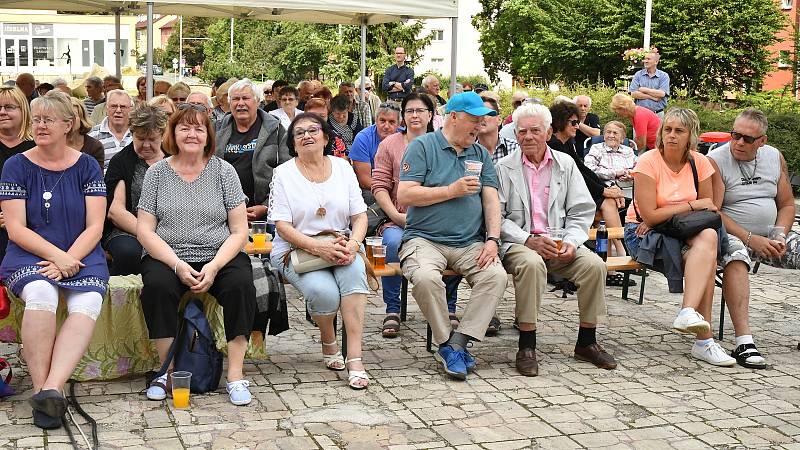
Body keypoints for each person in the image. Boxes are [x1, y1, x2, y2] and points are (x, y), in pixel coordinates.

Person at [0, 91, 108, 429]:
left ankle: (51, 389)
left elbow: (96, 226)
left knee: (88, 299)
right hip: (30, 254)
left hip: (81, 253)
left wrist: (70, 258)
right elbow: (15, 228)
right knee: (42, 294)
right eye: (38, 119)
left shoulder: (88, 165)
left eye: (49, 119)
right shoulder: (15, 165)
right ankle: (39, 387)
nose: (41, 125)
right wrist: (57, 258)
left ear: (68, 124)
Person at [137, 105, 256, 406]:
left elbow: (239, 231)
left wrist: (215, 266)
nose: (192, 134)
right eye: (184, 128)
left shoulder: (223, 171)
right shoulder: (157, 173)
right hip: (169, 255)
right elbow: (146, 231)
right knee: (158, 287)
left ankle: (236, 374)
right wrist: (176, 265)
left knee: (241, 283)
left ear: (208, 137)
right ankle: (168, 371)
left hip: (218, 254)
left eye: (199, 128)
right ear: (173, 134)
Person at [496, 103, 616, 376]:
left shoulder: (566, 164)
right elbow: (497, 218)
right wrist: (527, 239)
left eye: (535, 130)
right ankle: (527, 344)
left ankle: (587, 341)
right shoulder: (503, 167)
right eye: (522, 131)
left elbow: (581, 210)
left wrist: (572, 242)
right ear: (515, 135)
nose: (528, 136)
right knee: (531, 264)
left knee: (594, 266)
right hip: (520, 244)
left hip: (559, 243)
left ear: (548, 132)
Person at [397, 92, 508, 380]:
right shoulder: (422, 147)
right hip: (424, 239)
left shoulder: (479, 152)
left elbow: (491, 199)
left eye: (482, 120)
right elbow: (405, 194)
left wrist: (493, 239)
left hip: (469, 242)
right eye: (473, 119)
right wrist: (450, 191)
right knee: (424, 278)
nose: (479, 126)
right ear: (453, 117)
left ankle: (457, 343)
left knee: (495, 276)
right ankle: (447, 343)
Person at [623, 107, 735, 367]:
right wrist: (690, 205)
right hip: (644, 232)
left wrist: (680, 210)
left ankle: (687, 313)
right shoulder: (648, 161)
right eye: (667, 129)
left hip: (684, 231)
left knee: (708, 235)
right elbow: (649, 216)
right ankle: (704, 343)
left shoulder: (700, 162)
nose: (671, 135)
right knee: (705, 259)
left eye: (679, 131)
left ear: (691, 136)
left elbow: (709, 207)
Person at [268, 113, 371, 389]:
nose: (307, 136)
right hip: (296, 247)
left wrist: (353, 245)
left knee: (354, 275)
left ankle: (355, 358)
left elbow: (360, 216)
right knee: (324, 293)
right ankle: (328, 340)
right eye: (299, 133)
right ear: (293, 143)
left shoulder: (343, 168)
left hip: (340, 244)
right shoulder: (284, 174)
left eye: (313, 130)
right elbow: (282, 226)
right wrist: (317, 246)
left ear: (326, 137)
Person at [708, 108, 799, 369]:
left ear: (762, 141)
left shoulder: (774, 157)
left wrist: (780, 234)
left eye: (747, 139)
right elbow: (715, 211)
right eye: (735, 135)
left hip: (770, 233)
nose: (738, 142)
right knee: (736, 258)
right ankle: (744, 342)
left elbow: (787, 205)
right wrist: (751, 239)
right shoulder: (716, 159)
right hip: (731, 234)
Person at [371, 93, 463, 337]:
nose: (414, 115)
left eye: (420, 110)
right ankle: (392, 308)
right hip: (398, 218)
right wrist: (395, 215)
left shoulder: (443, 143)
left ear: (431, 115)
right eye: (409, 111)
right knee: (391, 242)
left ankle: (449, 307)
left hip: (437, 221)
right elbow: (379, 186)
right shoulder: (389, 144)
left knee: (455, 242)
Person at [548, 101, 626, 240]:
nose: (577, 126)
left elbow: (583, 169)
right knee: (608, 203)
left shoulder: (566, 143)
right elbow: (578, 175)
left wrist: (608, 188)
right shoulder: (554, 145)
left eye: (578, 122)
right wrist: (604, 191)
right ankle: (619, 249)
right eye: (573, 122)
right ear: (561, 122)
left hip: (574, 191)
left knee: (607, 207)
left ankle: (609, 252)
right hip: (562, 197)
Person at [104, 104, 168, 275]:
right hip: (129, 230)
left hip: (171, 228)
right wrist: (150, 235)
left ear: (163, 135)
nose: (146, 145)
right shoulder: (122, 161)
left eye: (152, 139)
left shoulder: (174, 158)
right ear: (132, 134)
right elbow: (115, 212)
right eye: (140, 139)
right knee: (130, 253)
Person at [216, 79, 290, 222]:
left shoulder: (276, 130)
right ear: (230, 103)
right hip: (222, 213)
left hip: (263, 214)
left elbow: (288, 174)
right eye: (235, 99)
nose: (240, 103)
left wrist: (266, 206)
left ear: (257, 102)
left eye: (246, 98)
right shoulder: (216, 130)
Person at [584, 121, 637, 259]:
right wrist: (615, 173)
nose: (611, 136)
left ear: (622, 137)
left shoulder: (629, 151)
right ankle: (621, 248)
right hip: (605, 190)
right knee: (609, 201)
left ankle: (610, 268)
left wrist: (629, 174)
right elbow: (589, 169)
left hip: (628, 192)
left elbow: (639, 169)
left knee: (603, 217)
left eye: (615, 133)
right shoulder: (596, 148)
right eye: (608, 132)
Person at [0, 86, 35, 262]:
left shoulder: (37, 147)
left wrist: (17, 217)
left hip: (31, 221)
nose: (2, 112)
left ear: (23, 110)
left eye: (9, 107)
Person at [349, 103, 401, 204]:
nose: (386, 126)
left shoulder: (405, 137)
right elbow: (365, 181)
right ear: (376, 120)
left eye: (391, 122)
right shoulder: (363, 138)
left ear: (399, 123)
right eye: (382, 121)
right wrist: (389, 192)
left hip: (400, 186)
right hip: (374, 186)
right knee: (370, 197)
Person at [89, 89, 133, 169]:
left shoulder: (139, 134)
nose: (118, 110)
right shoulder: (92, 135)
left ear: (130, 109)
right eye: (114, 106)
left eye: (123, 107)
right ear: (107, 108)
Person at [67, 96, 105, 170]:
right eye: (66, 116)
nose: (70, 120)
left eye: (74, 116)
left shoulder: (95, 147)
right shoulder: (54, 144)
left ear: (82, 118)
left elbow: (97, 178)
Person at [629, 50, 670, 117]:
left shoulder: (664, 76)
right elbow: (633, 94)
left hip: (657, 114)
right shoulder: (638, 75)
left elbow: (662, 94)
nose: (645, 61)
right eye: (645, 59)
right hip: (640, 114)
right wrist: (652, 97)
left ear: (656, 62)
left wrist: (643, 89)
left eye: (648, 59)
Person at [477, 97, 517, 163]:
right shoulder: (468, 152)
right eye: (478, 114)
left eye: (487, 113)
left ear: (499, 120)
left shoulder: (515, 148)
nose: (481, 117)